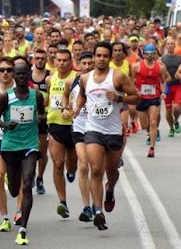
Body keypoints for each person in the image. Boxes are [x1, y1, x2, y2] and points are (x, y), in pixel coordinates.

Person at [76, 42, 139, 230]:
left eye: (105, 56)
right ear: (94, 57)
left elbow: (136, 96)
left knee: (111, 171)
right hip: (93, 129)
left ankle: (110, 189)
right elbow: (81, 95)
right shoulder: (85, 78)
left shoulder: (118, 77)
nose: (101, 59)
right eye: (98, 55)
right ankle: (97, 210)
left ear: (110, 57)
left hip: (113, 131)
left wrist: (120, 98)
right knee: (95, 169)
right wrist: (76, 109)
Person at [0, 59, 45, 245]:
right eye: (18, 74)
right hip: (10, 146)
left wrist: (40, 118)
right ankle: (12, 183)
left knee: (27, 183)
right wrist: (7, 124)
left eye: (24, 74)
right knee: (14, 190)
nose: (21, 77)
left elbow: (42, 113)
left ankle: (23, 227)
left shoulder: (36, 95)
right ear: (14, 76)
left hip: (30, 144)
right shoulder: (6, 96)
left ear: (28, 75)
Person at [62, 51, 95, 222]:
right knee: (83, 166)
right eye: (85, 63)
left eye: (91, 63)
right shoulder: (72, 80)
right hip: (80, 127)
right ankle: (87, 207)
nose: (88, 67)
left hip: (97, 128)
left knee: (96, 169)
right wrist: (66, 108)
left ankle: (98, 202)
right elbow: (66, 95)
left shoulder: (100, 80)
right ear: (79, 64)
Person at [45, 49, 77, 218]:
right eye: (59, 60)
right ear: (55, 61)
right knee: (58, 163)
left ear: (71, 61)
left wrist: (71, 109)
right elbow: (48, 99)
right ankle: (62, 202)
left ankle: (71, 171)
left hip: (73, 125)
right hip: (55, 124)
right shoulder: (50, 79)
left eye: (65, 60)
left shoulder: (76, 79)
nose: (62, 63)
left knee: (71, 165)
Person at [133, 44, 170, 157]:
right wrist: (135, 90)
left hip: (154, 97)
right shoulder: (136, 66)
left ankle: (152, 148)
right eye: (147, 54)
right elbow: (131, 80)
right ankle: (149, 132)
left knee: (153, 122)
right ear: (143, 54)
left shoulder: (160, 67)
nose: (149, 56)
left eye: (152, 53)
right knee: (145, 126)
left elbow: (164, 81)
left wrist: (164, 92)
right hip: (141, 97)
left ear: (155, 54)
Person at [0, 59, 15, 232]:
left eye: (9, 69)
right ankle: (5, 217)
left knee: (18, 182)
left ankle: (20, 212)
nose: (5, 73)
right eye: (2, 70)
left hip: (18, 139)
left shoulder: (21, 91)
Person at [29, 49, 51, 195]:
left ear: (46, 59)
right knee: (29, 149)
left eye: (43, 58)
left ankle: (40, 178)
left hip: (44, 116)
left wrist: (41, 111)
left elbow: (51, 97)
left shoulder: (50, 77)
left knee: (42, 150)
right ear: (33, 60)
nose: (40, 60)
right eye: (37, 58)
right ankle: (29, 175)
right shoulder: (27, 76)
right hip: (29, 117)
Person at [162, 38, 181, 137]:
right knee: (168, 110)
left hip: (178, 85)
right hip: (167, 86)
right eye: (168, 44)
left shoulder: (179, 58)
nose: (170, 45)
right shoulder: (162, 59)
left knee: (177, 107)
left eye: (172, 43)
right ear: (166, 46)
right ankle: (171, 128)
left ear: (174, 46)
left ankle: (176, 121)